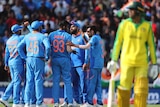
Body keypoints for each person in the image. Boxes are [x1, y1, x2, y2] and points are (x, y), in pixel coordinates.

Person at [108, 1, 158, 107]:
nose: (129, 12)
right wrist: (114, 59)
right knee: (124, 89)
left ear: (138, 12)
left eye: (131, 10)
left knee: (141, 90)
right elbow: (117, 43)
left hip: (142, 62)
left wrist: (154, 63)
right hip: (126, 62)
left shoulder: (147, 26)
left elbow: (152, 45)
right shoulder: (124, 24)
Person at [67, 25, 104, 107]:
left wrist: (75, 45)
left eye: (88, 31)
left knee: (92, 83)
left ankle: (89, 102)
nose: (87, 33)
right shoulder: (99, 38)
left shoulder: (94, 38)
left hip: (94, 63)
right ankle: (99, 102)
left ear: (92, 31)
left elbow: (87, 47)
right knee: (98, 84)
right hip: (99, 63)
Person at [17, 20, 50, 107]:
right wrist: (47, 57)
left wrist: (24, 57)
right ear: (39, 27)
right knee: (38, 80)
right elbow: (48, 47)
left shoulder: (27, 36)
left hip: (29, 59)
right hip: (39, 59)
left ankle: (27, 102)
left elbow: (19, 47)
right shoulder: (42, 36)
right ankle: (39, 103)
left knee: (29, 81)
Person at [48, 20, 74, 107]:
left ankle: (56, 102)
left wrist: (48, 56)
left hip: (55, 59)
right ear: (64, 27)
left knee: (56, 81)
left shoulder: (51, 35)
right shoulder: (68, 36)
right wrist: (73, 51)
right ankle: (70, 102)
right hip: (64, 59)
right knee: (67, 81)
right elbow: (68, 49)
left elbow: (48, 47)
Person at [1, 24, 25, 107]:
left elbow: (7, 53)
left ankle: (4, 98)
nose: (21, 31)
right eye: (20, 30)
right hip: (17, 62)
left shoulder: (9, 40)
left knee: (14, 81)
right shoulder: (20, 38)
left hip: (11, 61)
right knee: (17, 82)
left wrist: (6, 63)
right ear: (18, 31)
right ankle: (16, 102)